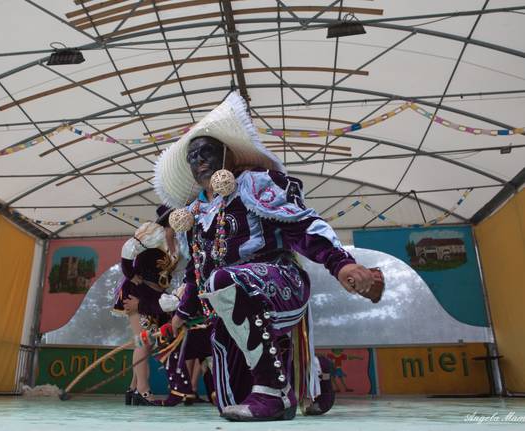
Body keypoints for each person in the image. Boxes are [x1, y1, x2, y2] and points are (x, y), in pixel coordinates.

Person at [154, 92, 377, 421]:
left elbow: (302, 226)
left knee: (225, 279)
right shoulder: (193, 215)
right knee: (229, 404)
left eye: (207, 152)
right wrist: (179, 317)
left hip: (278, 284)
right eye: (193, 156)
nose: (199, 160)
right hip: (227, 306)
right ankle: (316, 368)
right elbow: (195, 275)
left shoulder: (253, 184)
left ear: (227, 154)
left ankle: (275, 392)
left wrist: (339, 262)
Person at [113, 206, 178, 406]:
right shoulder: (152, 234)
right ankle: (143, 390)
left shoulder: (177, 243)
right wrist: (131, 276)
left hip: (155, 296)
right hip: (137, 292)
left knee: (146, 344)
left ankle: (133, 389)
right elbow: (127, 253)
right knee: (143, 341)